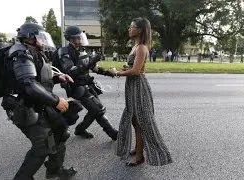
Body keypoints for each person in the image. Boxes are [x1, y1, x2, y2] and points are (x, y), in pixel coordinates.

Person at [2, 23, 77, 180]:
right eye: (40, 38)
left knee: (60, 132)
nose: (43, 41)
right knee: (42, 147)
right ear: (30, 38)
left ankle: (55, 170)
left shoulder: (33, 52)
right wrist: (56, 101)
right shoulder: (21, 54)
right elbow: (28, 84)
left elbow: (39, 79)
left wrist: (58, 77)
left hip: (39, 104)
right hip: (25, 107)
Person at [109, 17, 172, 166]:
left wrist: (116, 73)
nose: (129, 29)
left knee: (142, 121)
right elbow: (134, 69)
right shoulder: (135, 46)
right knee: (135, 121)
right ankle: (138, 149)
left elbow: (136, 71)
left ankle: (140, 156)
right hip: (132, 87)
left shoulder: (142, 47)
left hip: (138, 87)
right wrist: (125, 69)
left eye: (132, 27)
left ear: (140, 30)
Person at [55, 26, 118, 140]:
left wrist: (109, 73)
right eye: (78, 38)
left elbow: (94, 68)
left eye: (81, 37)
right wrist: (90, 63)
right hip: (76, 87)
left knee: (98, 110)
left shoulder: (82, 51)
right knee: (98, 110)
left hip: (87, 84)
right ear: (71, 39)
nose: (80, 40)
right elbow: (71, 71)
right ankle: (113, 133)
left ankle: (80, 129)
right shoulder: (64, 52)